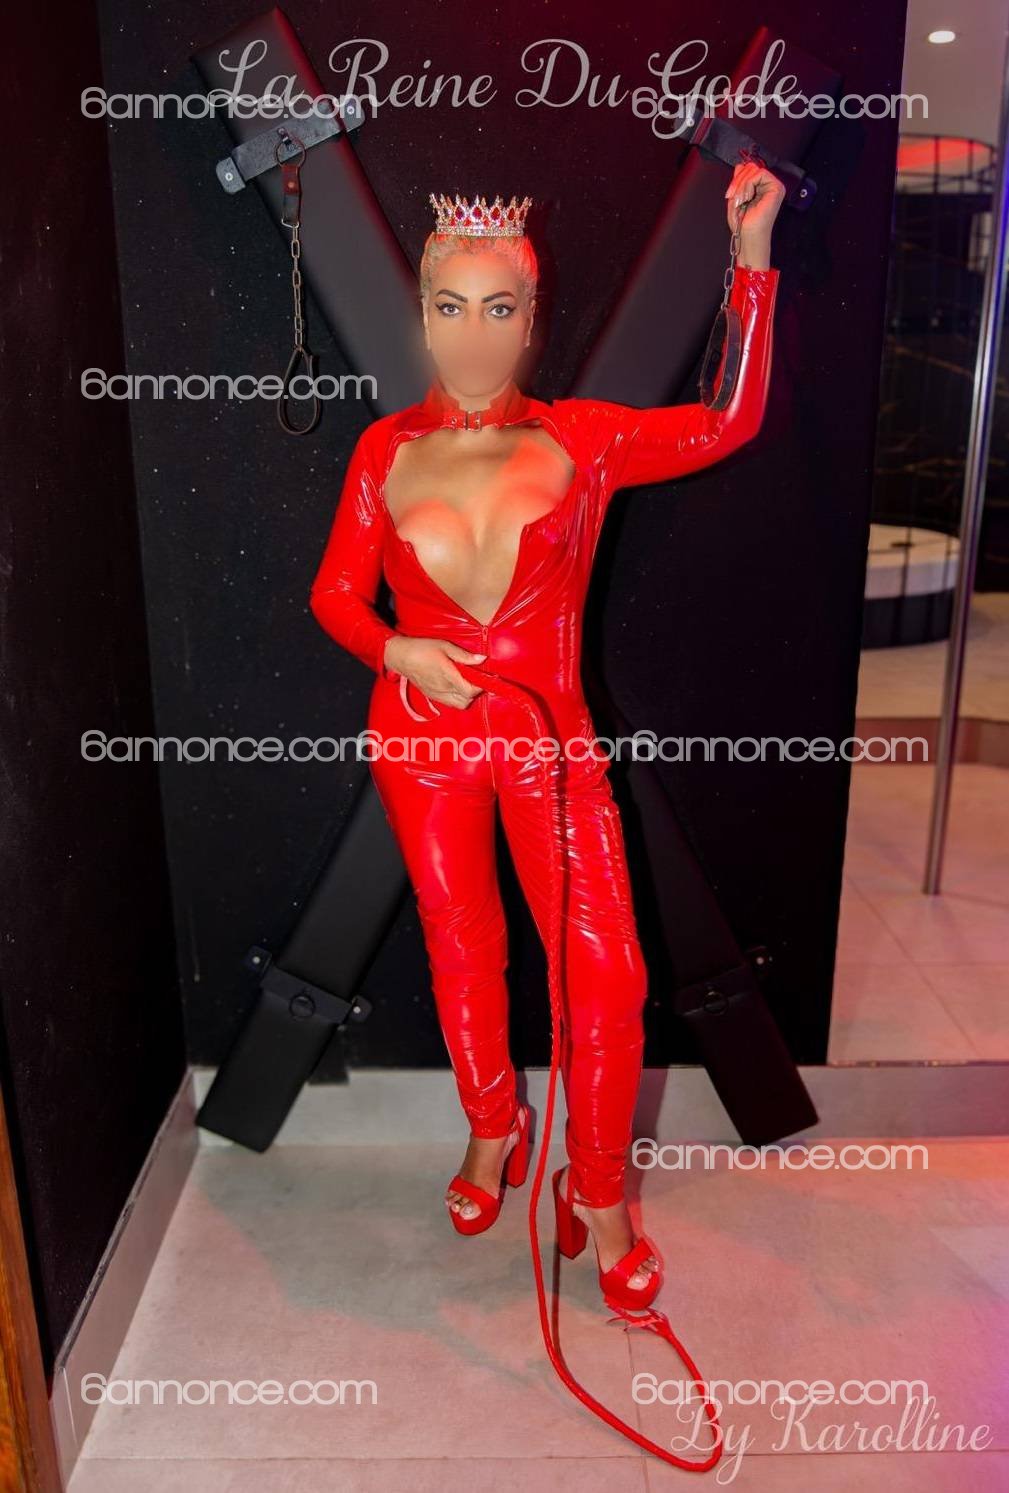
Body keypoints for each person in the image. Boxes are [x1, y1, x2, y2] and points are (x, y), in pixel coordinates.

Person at [310, 175, 783, 1468]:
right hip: (422, 742)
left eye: (498, 308)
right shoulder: (382, 451)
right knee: (461, 946)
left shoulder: (585, 440)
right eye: (448, 307)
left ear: (532, 317)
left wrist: (750, 256)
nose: (471, 335)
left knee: (606, 974)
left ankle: (600, 1194)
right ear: (421, 311)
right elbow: (336, 595)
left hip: (549, 748)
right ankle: (491, 1124)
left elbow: (730, 418)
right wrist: (396, 647)